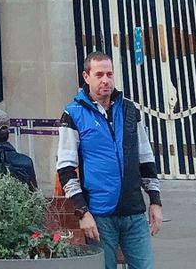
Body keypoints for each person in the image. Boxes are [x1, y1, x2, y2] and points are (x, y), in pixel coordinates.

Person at [57, 51, 163, 269]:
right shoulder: (73, 113)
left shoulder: (130, 110)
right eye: (99, 75)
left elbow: (145, 158)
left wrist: (155, 201)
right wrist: (82, 212)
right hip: (99, 215)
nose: (105, 80)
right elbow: (66, 168)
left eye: (109, 74)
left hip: (134, 212)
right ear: (86, 77)